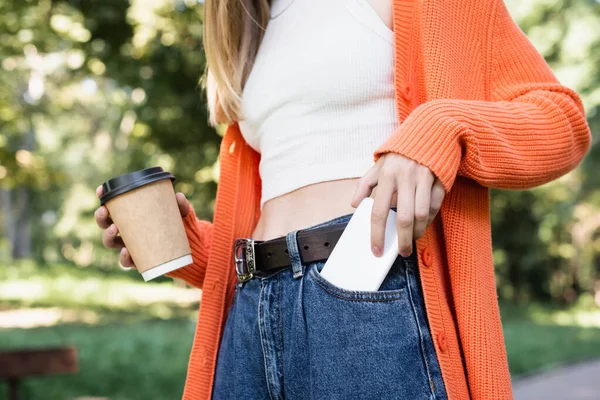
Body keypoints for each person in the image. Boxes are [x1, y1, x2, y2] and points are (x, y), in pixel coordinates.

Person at [95, 0, 592, 398]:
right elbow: (280, 207)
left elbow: (561, 121)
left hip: (366, 290)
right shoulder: (248, 22)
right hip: (251, 308)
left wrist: (443, 129)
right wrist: (187, 246)